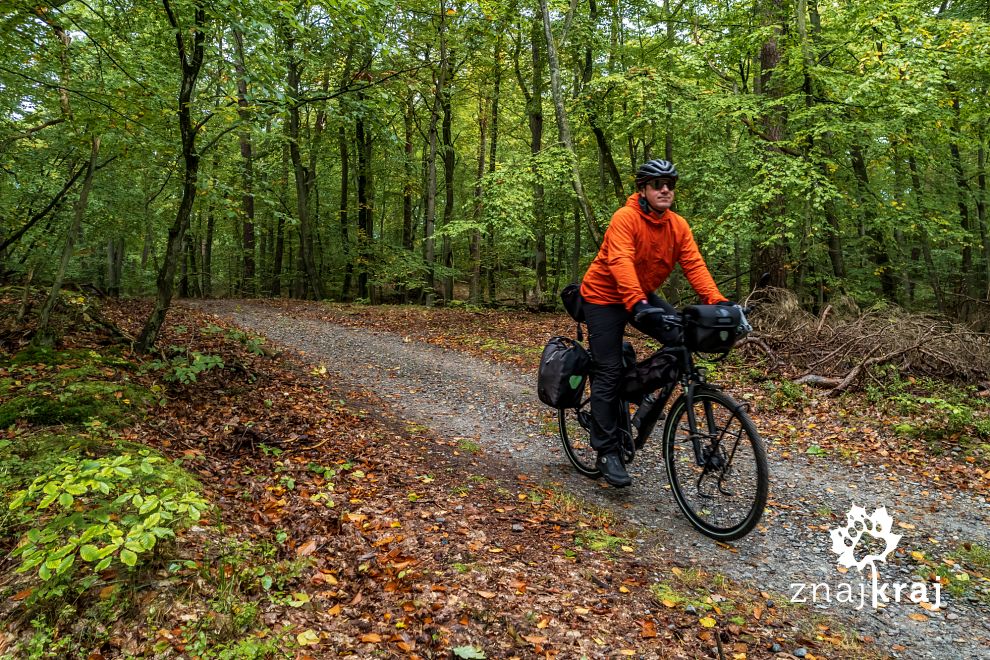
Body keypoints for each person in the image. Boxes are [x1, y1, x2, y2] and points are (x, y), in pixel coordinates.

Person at [579, 159, 730, 488]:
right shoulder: (625, 218)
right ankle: (607, 451)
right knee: (607, 371)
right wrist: (637, 304)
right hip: (604, 296)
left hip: (640, 293)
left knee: (682, 340)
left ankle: (641, 397)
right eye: (657, 184)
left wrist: (717, 303)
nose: (665, 189)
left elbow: (694, 265)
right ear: (643, 190)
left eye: (669, 185)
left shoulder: (678, 226)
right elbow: (619, 261)